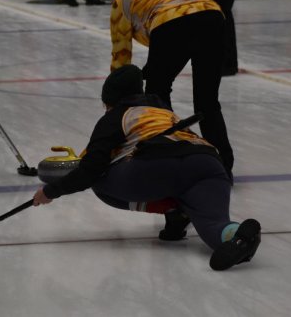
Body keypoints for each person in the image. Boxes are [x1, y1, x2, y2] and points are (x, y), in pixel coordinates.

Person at [32, 65, 261, 271]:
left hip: (158, 165)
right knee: (213, 226)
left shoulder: (116, 117)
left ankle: (174, 210)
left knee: (99, 180)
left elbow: (90, 169)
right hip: (209, 163)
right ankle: (239, 236)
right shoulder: (164, 112)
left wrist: (50, 192)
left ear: (110, 100)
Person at [107, 0, 235, 183]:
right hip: (212, 16)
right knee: (207, 100)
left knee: (157, 95)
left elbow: (121, 62)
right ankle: (223, 166)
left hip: (171, 21)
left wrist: (113, 104)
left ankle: (169, 157)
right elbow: (174, 40)